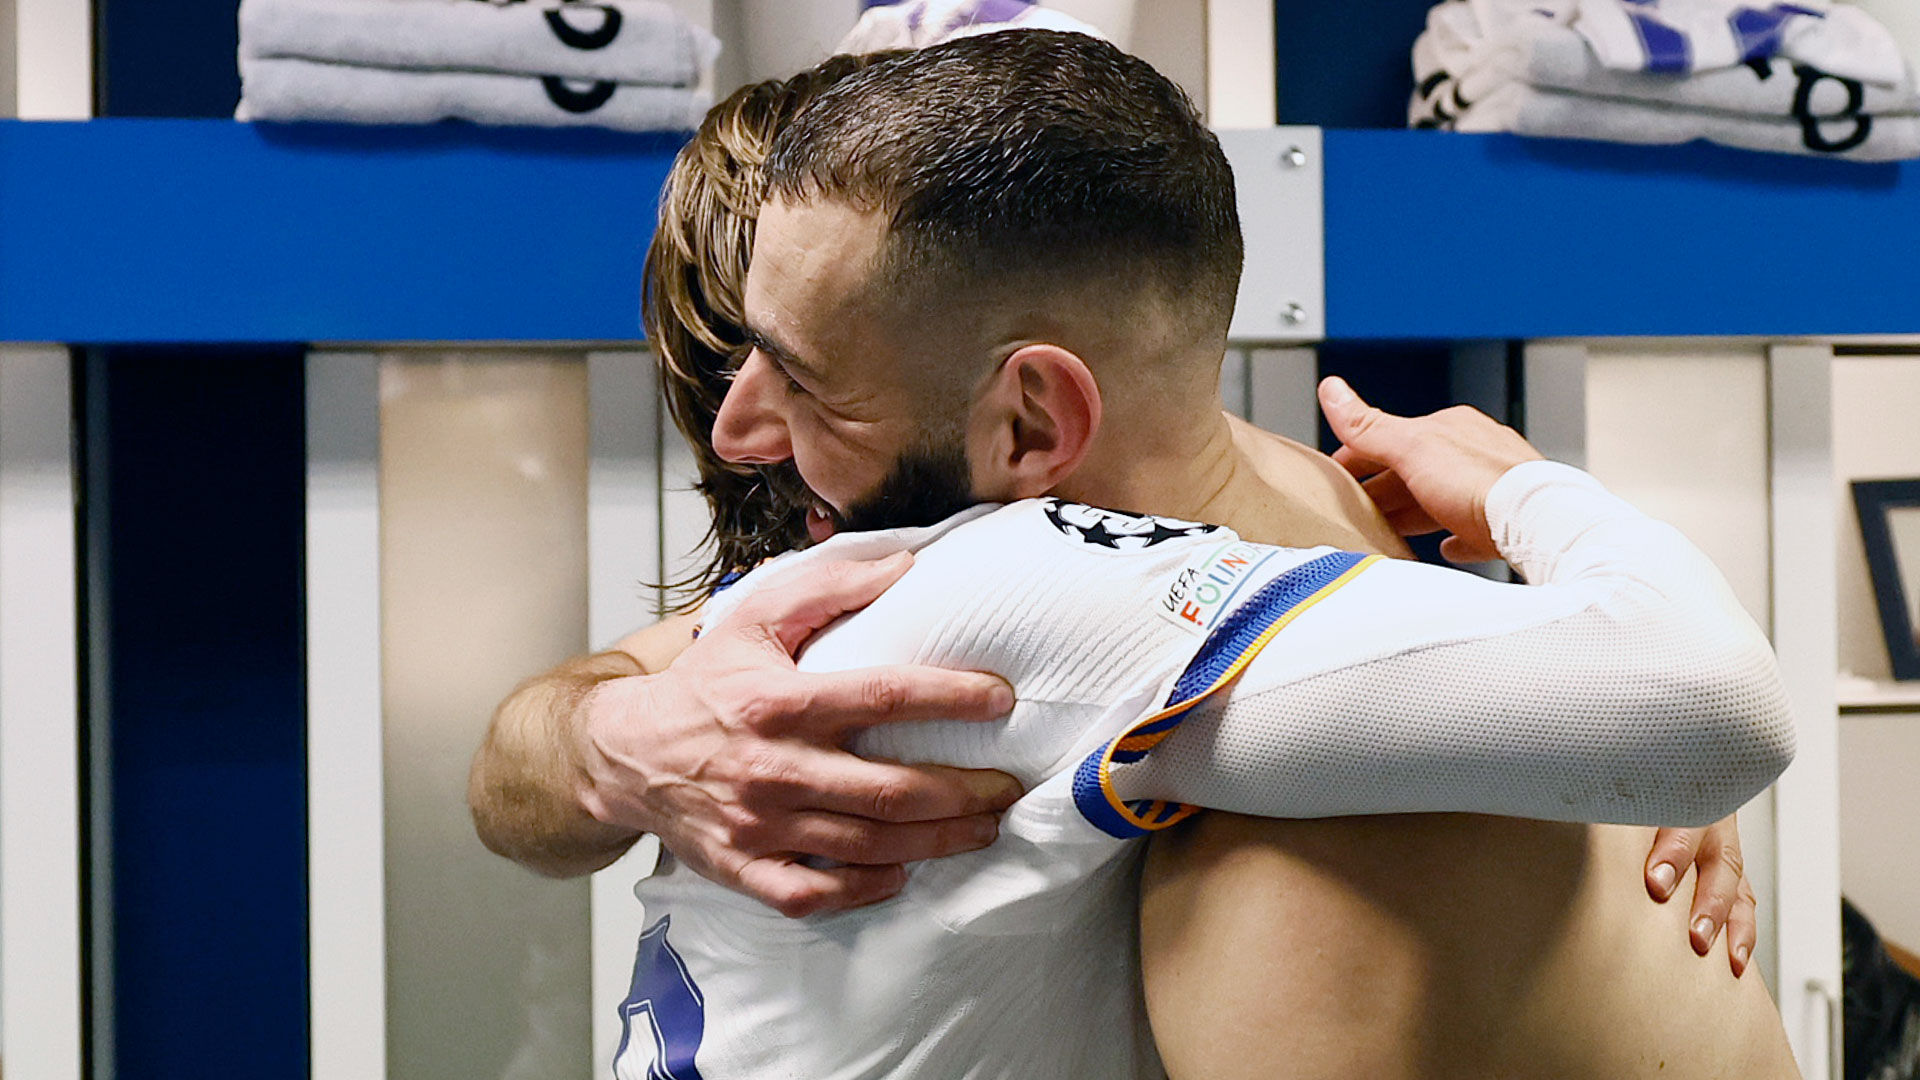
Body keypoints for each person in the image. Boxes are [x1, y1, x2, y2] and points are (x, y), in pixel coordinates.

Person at [470, 35, 1800, 1079]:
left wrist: (1605, 668)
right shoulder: (1231, 561)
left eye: (806, 382)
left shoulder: (1137, 641)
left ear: (1029, 412)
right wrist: (622, 741)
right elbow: (533, 752)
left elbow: (1685, 705)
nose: (747, 438)